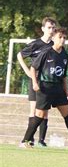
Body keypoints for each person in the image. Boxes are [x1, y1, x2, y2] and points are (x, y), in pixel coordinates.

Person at [19, 27, 68, 148]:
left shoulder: (64, 54)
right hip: (45, 88)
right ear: (53, 38)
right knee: (39, 116)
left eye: (64, 38)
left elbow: (63, 75)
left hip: (58, 89)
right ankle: (25, 141)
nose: (62, 40)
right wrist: (35, 83)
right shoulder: (46, 52)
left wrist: (67, 90)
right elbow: (33, 68)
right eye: (60, 37)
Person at [17, 17, 57, 147]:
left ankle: (41, 140)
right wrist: (28, 72)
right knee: (33, 110)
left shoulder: (54, 45)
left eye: (53, 28)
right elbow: (20, 55)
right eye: (49, 27)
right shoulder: (35, 44)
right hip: (35, 81)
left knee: (44, 111)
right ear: (43, 29)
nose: (51, 30)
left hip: (48, 83)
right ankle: (30, 139)